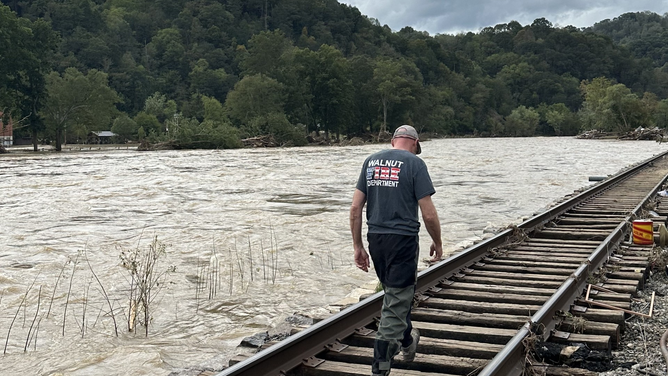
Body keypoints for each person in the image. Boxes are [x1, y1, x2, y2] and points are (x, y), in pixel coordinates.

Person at [350, 125, 443, 376]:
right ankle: (380, 368)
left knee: (395, 297)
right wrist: (438, 241)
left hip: (376, 239)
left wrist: (358, 246)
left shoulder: (370, 162)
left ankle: (408, 341)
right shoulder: (414, 164)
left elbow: (356, 208)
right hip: (402, 240)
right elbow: (428, 212)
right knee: (396, 300)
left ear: (393, 141)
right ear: (415, 143)